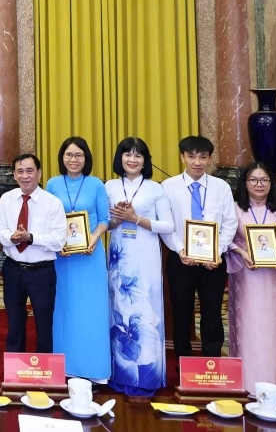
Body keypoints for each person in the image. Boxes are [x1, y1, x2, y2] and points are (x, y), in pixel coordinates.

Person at [105, 137, 174, 396]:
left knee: (146, 312)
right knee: (119, 311)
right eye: (127, 154)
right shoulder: (109, 186)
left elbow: (168, 226)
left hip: (146, 258)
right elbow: (105, 224)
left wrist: (136, 218)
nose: (132, 159)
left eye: (138, 155)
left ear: (145, 160)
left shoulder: (156, 188)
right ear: (120, 158)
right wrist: (116, 219)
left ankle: (147, 378)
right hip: (119, 257)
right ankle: (120, 375)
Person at [161, 136, 237, 358]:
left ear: (209, 159)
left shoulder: (221, 187)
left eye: (203, 157)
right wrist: (180, 249)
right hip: (180, 260)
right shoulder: (168, 187)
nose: (197, 162)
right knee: (181, 311)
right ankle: (183, 360)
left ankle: (211, 360)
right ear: (182, 157)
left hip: (213, 262)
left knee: (212, 311)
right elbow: (166, 224)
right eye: (191, 156)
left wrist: (217, 251)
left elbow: (230, 222)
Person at [227, 162, 276, 393]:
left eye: (264, 180)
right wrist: (241, 252)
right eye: (253, 180)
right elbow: (225, 239)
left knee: (273, 330)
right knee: (248, 328)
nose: (259, 184)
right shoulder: (233, 210)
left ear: (271, 184)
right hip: (245, 278)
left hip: (273, 281)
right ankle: (246, 384)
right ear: (245, 183)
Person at [44, 136, 111, 382]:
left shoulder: (96, 184)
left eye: (79, 155)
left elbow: (104, 219)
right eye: (69, 155)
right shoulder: (52, 183)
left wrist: (94, 237)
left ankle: (94, 371)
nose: (74, 159)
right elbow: (46, 217)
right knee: (63, 308)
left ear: (86, 158)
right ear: (62, 157)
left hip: (89, 255)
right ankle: (64, 367)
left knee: (90, 310)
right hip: (61, 257)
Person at [0, 153, 66, 356]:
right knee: (14, 323)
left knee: (44, 324)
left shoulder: (53, 203)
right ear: (14, 175)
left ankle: (44, 368)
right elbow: (0, 232)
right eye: (20, 171)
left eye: (30, 171)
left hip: (41, 272)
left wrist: (31, 238)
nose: (25, 176)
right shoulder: (6, 199)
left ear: (39, 173)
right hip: (13, 269)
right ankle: (15, 367)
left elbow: (58, 240)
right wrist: (12, 238)